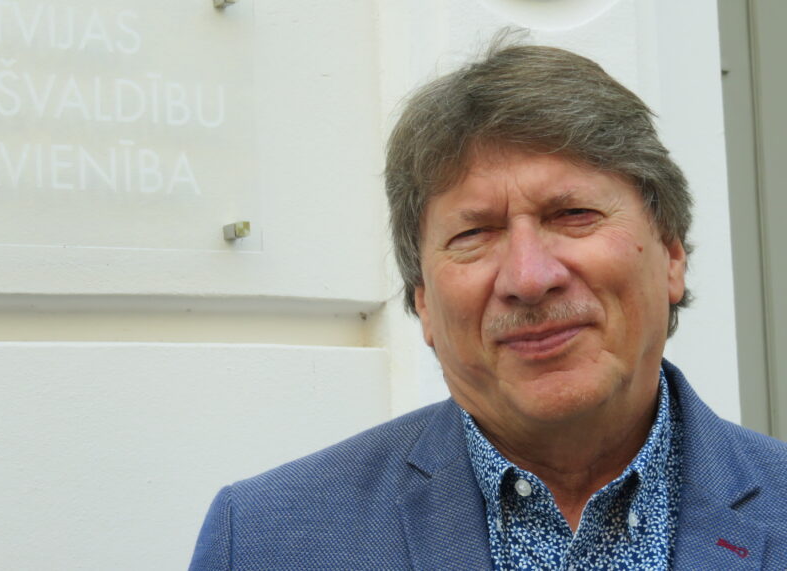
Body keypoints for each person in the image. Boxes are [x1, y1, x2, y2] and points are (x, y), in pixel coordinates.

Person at [189, 43, 787, 569]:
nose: (529, 278)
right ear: (423, 300)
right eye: (474, 234)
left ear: (671, 255)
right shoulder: (268, 541)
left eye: (573, 215)